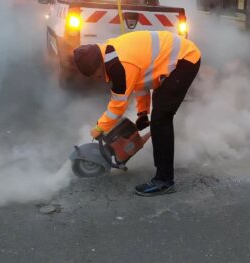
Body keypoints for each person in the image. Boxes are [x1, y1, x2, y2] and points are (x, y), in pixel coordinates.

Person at [73, 30, 201, 196]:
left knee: (161, 119)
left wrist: (99, 128)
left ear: (98, 65)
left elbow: (117, 107)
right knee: (158, 115)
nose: (96, 78)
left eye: (94, 74)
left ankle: (164, 180)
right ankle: (163, 175)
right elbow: (141, 83)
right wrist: (142, 113)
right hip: (180, 58)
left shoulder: (119, 67)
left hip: (185, 60)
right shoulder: (110, 53)